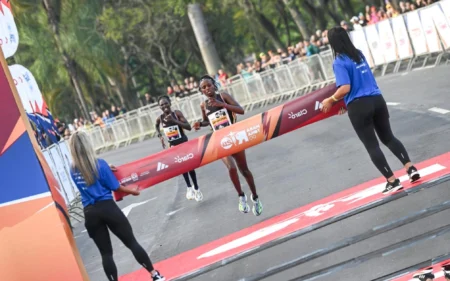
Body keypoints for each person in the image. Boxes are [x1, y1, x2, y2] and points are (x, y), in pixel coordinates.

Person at [321, 26, 420, 195]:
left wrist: (330, 100)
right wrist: (346, 103)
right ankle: (410, 168)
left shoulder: (339, 61)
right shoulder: (358, 54)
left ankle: (392, 181)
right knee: (388, 137)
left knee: (371, 145)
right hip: (377, 99)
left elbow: (345, 87)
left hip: (359, 107)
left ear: (333, 43)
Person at [68, 131, 165, 281]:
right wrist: (132, 191)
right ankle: (154, 275)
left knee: (105, 254)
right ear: (88, 145)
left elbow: (90, 172)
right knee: (131, 242)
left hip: (90, 213)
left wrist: (106, 167)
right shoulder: (100, 165)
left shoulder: (73, 169)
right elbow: (115, 187)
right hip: (107, 207)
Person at [193, 75, 263, 216]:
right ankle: (241, 196)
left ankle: (255, 198)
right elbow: (208, 121)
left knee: (244, 170)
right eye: (204, 87)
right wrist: (200, 124)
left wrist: (223, 105)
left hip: (234, 136)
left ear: (214, 85)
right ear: (201, 91)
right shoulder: (203, 105)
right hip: (219, 140)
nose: (207, 89)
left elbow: (241, 110)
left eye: (209, 85)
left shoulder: (223, 96)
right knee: (231, 168)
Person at [155, 96, 203, 202]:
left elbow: (188, 127)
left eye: (166, 103)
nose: (164, 106)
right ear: (159, 107)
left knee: (190, 166)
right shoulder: (160, 118)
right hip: (173, 146)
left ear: (170, 103)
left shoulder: (176, 114)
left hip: (183, 143)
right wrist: (160, 136)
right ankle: (189, 187)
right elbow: (156, 125)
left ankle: (196, 188)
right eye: (162, 105)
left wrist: (174, 121)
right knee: (181, 166)